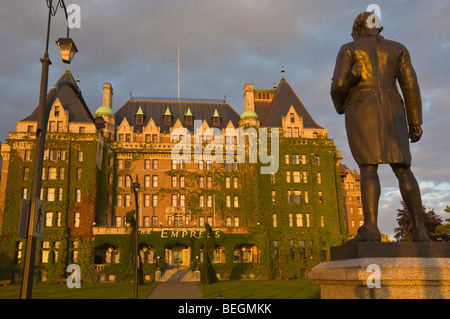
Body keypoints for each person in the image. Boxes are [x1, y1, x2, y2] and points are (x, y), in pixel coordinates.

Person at [331, 11, 430, 243]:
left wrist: (339, 106)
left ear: (357, 28)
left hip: (362, 108)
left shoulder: (349, 48)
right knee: (403, 169)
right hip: (393, 109)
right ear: (378, 28)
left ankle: (371, 228)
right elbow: (411, 86)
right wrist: (414, 121)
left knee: (368, 169)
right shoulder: (398, 49)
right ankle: (420, 229)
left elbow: (338, 84)